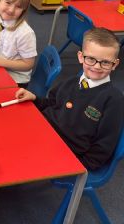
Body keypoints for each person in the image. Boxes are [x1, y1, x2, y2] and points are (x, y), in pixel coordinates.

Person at [16, 27, 123, 170]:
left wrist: (80, 165)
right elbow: (52, 103)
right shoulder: (71, 81)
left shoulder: (113, 99)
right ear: (81, 57)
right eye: (91, 59)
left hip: (64, 150)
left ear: (115, 64)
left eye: (105, 62)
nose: (97, 66)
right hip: (43, 129)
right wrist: (34, 98)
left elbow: (105, 143)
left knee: (15, 161)